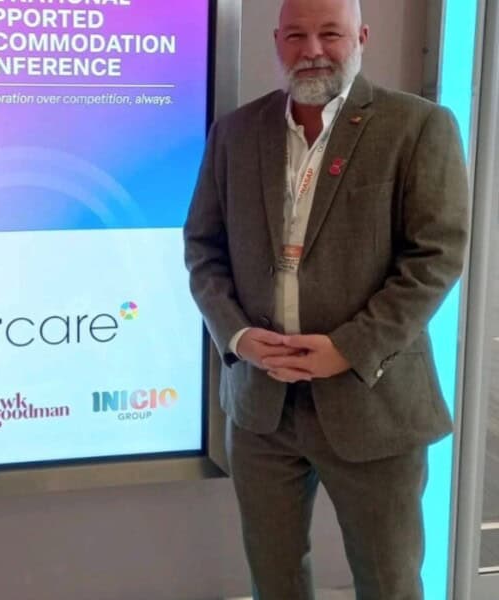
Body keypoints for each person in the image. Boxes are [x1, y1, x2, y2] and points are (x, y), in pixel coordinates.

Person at [183, 0, 469, 598]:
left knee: (388, 582)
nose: (312, 50)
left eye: (329, 34)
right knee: (274, 580)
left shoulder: (418, 126)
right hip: (262, 408)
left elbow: (435, 257)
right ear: (277, 42)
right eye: (296, 35)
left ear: (360, 37)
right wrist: (238, 336)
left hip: (372, 403)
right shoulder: (236, 133)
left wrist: (349, 348)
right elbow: (203, 250)